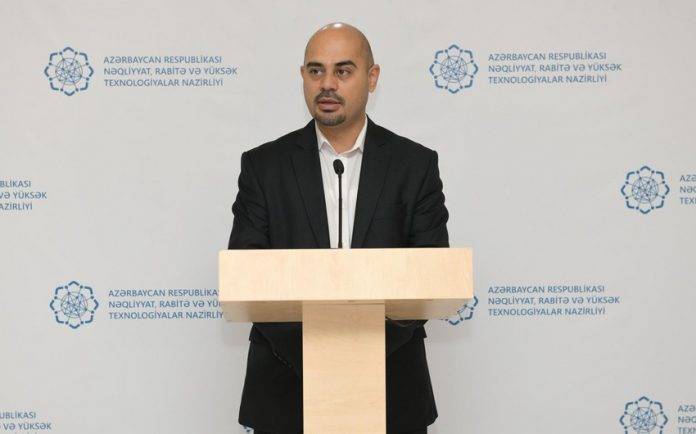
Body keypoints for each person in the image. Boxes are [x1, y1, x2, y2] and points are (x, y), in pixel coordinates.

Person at [228, 22, 449, 434]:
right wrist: (317, 357)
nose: (327, 84)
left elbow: (429, 277)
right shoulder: (263, 167)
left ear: (372, 77)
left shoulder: (415, 166)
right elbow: (249, 278)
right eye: (316, 71)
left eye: (343, 71)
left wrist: (359, 355)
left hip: (392, 391)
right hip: (284, 391)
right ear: (302, 76)